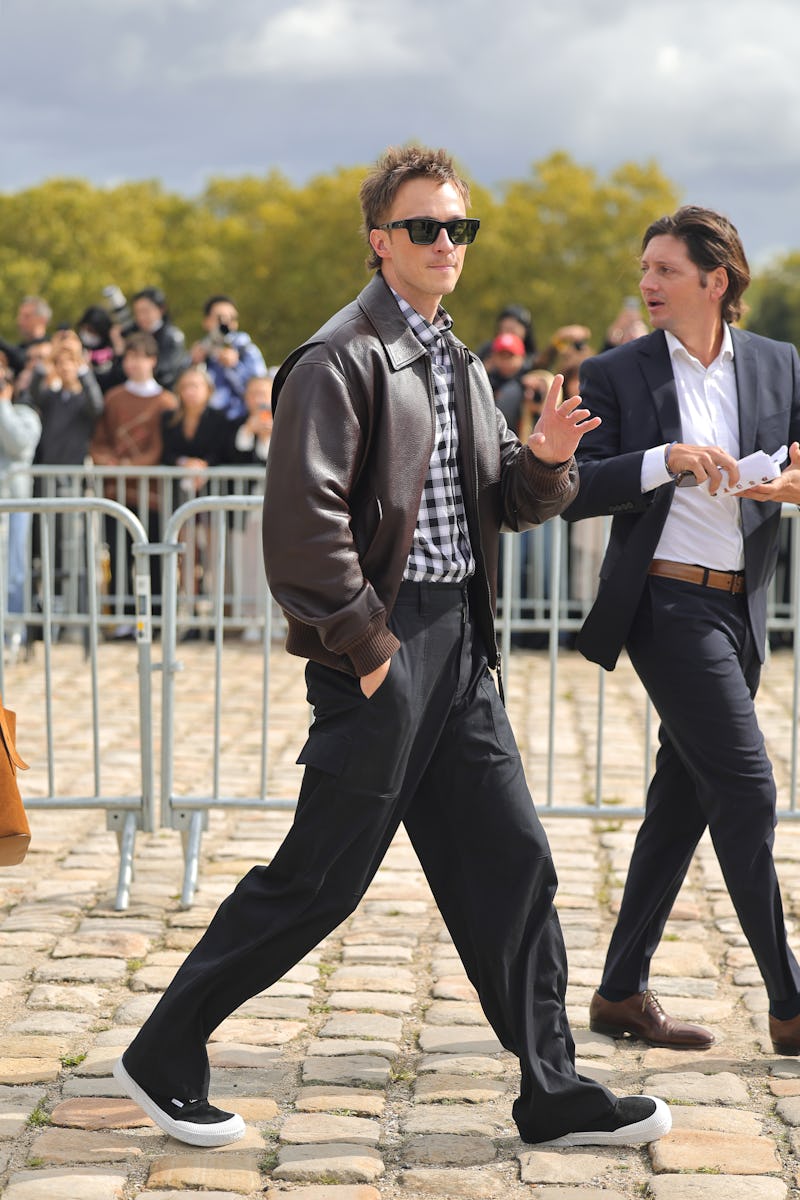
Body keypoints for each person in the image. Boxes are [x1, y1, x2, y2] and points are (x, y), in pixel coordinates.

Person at [114, 143, 670, 1151]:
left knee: (512, 865)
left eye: (457, 227)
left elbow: (502, 498)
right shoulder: (340, 358)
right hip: (383, 646)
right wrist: (369, 650)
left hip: (459, 646)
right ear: (380, 242)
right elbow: (304, 528)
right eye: (424, 227)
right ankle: (162, 1050)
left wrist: (543, 461)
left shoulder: (454, 360)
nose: (444, 243)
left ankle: (552, 1088)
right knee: (315, 884)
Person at [562, 204, 800, 1053]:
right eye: (644, 268)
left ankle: (620, 992)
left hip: (743, 611)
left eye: (664, 269)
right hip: (665, 610)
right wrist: (664, 462)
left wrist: (790, 486)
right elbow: (575, 488)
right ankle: (791, 1003)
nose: (647, 283)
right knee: (748, 788)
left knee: (683, 805)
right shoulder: (616, 371)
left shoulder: (779, 363)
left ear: (716, 280)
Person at [89, 331, 176, 633]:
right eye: (129, 357)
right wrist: (107, 460)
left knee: (153, 557)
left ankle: (154, 619)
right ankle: (125, 619)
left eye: (140, 357)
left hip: (151, 494)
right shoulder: (113, 398)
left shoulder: (166, 401)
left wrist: (131, 465)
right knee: (119, 555)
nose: (134, 363)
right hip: (117, 494)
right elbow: (99, 440)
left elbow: (161, 447)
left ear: (152, 360)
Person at [0, 350, 41, 658]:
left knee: (13, 571)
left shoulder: (26, 415)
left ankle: (14, 633)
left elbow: (18, 444)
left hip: (13, 503)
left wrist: (2, 403)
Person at [189, 295, 268, 421]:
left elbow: (262, 392)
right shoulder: (200, 351)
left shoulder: (247, 350)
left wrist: (235, 367)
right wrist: (193, 365)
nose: (226, 323)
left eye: (232, 318)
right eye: (220, 318)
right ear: (206, 322)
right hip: (207, 422)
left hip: (242, 420)